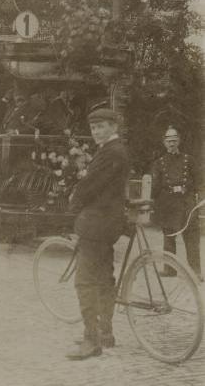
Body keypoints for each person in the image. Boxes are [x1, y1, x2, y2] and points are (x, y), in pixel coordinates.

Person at [66, 108, 130, 360]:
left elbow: (90, 184)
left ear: (114, 126)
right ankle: (106, 332)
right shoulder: (114, 150)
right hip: (109, 222)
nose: (96, 132)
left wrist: (73, 201)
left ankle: (91, 340)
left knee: (85, 281)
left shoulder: (111, 152)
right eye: (93, 128)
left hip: (97, 223)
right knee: (104, 277)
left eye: (101, 126)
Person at [152, 126, 202, 281]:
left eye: (174, 140)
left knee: (191, 238)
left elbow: (200, 181)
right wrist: (156, 204)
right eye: (169, 141)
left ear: (179, 141)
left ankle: (195, 271)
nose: (172, 144)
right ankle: (170, 269)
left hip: (187, 202)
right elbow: (155, 187)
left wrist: (200, 198)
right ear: (164, 143)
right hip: (168, 203)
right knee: (169, 238)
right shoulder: (159, 163)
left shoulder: (189, 160)